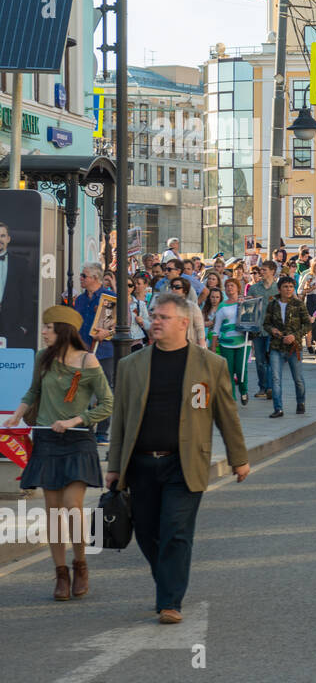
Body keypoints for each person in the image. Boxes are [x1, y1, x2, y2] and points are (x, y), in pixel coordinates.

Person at [106, 292, 251, 624]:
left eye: (163, 317)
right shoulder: (132, 365)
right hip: (141, 464)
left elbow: (226, 415)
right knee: (145, 531)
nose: (155, 321)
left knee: (176, 530)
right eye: (154, 315)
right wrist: (114, 467)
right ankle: (167, 582)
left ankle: (170, 601)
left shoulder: (210, 365)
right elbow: (120, 419)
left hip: (183, 463)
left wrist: (238, 458)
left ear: (184, 323)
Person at [4, 306, 113, 600]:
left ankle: (81, 564)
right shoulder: (44, 358)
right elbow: (33, 392)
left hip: (78, 440)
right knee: (52, 513)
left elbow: (107, 404)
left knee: (72, 507)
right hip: (47, 440)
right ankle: (61, 575)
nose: (43, 331)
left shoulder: (89, 361)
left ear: (63, 330)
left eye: (48, 327)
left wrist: (76, 420)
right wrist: (17, 415)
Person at [72, 263, 116, 443]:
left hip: (103, 352)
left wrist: (108, 333)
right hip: (82, 353)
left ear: (95, 279)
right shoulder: (80, 300)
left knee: (104, 392)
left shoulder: (109, 297)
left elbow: (123, 326)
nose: (81, 279)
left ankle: (102, 432)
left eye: (84, 276)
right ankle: (85, 428)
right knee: (82, 391)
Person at [262, 275, 309, 418]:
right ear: (279, 289)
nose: (288, 289)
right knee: (276, 378)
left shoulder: (298, 304)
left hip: (294, 347)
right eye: (285, 287)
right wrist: (272, 330)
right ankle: (278, 408)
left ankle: (300, 402)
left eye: (290, 287)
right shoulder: (272, 304)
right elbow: (266, 324)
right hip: (277, 346)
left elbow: (307, 324)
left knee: (298, 379)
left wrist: (295, 336)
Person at [210, 277, 250, 405]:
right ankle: (232, 398)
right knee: (229, 372)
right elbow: (216, 328)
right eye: (227, 286)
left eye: (232, 285)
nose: (229, 288)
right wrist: (213, 346)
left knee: (241, 370)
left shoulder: (244, 302)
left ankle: (243, 391)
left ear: (238, 288)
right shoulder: (222, 306)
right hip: (226, 344)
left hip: (243, 342)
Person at [246, 261, 278, 400]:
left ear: (272, 271)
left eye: (264, 270)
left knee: (271, 359)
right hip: (258, 330)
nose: (261, 272)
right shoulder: (254, 288)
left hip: (273, 330)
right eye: (261, 270)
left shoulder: (278, 288)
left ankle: (271, 388)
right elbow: (247, 308)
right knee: (260, 361)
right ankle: (262, 387)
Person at [127, 272, 152, 351]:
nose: (127, 288)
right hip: (120, 342)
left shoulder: (140, 304)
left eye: (130, 285)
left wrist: (142, 321)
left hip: (136, 342)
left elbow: (148, 325)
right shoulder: (114, 303)